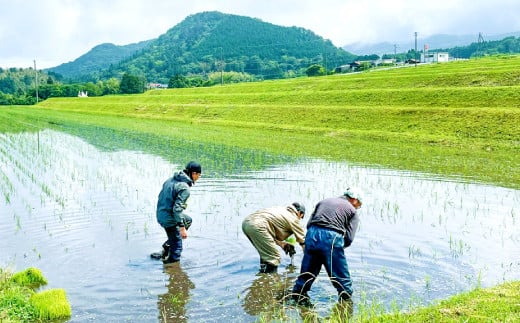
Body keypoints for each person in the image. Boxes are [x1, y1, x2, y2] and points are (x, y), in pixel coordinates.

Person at [291, 187, 364, 306]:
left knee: (308, 272)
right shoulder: (352, 210)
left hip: (311, 235)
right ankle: (346, 305)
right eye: (359, 205)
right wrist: (335, 248)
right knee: (341, 276)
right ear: (355, 200)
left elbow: (309, 224)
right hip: (332, 237)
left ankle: (297, 298)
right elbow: (349, 238)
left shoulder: (323, 202)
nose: (357, 207)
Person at [156, 161, 202, 264]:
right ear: (194, 173)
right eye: (199, 175)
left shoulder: (170, 180)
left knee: (188, 220)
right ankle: (172, 271)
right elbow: (177, 210)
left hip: (161, 214)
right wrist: (182, 229)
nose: (198, 178)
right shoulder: (185, 188)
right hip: (169, 217)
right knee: (177, 248)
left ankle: (168, 245)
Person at [242, 202, 306, 273]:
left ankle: (262, 275)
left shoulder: (279, 210)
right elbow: (303, 242)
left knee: (265, 253)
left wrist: (282, 244)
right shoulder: (293, 218)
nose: (300, 219)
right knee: (274, 258)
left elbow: (268, 233)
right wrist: (309, 260)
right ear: (300, 213)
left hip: (246, 223)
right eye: (301, 217)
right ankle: (270, 281)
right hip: (258, 226)